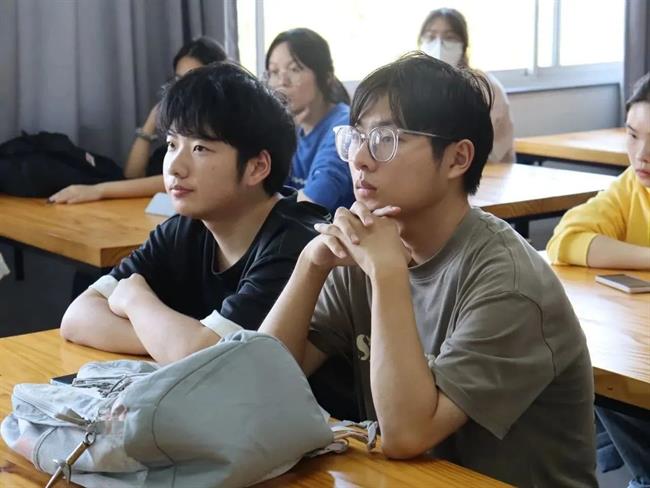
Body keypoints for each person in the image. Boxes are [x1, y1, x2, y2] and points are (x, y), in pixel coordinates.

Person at [258, 53, 597, 487]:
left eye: (385, 139)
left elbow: (406, 434)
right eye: (356, 137)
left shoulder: (509, 282)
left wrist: (388, 275)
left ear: (457, 159)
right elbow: (261, 386)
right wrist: (310, 264)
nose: (359, 158)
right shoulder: (368, 251)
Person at [60, 62, 329, 365]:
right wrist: (170, 342)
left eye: (200, 148)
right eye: (172, 144)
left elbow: (212, 359)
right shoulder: (185, 228)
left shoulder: (295, 243)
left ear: (257, 167)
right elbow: (77, 317)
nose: (175, 166)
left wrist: (136, 299)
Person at [548, 72, 650, 488]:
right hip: (640, 355)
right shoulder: (632, 187)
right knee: (592, 372)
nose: (642, 155)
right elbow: (566, 240)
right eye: (633, 136)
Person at [49, 37, 227, 204]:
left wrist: (100, 190)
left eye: (192, 80)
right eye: (179, 80)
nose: (183, 89)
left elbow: (174, 179)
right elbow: (133, 175)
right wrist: (150, 123)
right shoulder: (178, 131)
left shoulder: (220, 127)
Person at [265, 28, 354, 212]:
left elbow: (314, 202)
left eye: (294, 69)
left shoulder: (344, 125)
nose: (282, 81)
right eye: (274, 71)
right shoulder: (290, 129)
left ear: (326, 77)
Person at [417, 8, 515, 164]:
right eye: (431, 36)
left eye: (449, 37)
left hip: (486, 170)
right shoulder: (412, 88)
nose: (439, 44)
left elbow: (484, 146)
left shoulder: (484, 87)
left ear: (463, 45)